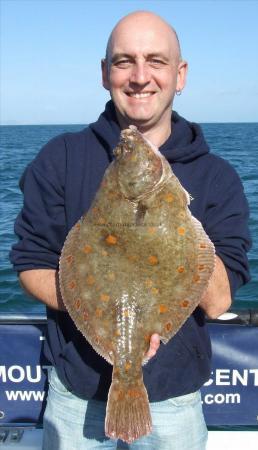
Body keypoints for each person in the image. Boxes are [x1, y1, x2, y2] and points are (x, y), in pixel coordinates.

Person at [10, 10, 251, 450]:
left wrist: (177, 222)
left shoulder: (219, 178)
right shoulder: (58, 158)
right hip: (74, 396)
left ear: (180, 76)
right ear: (105, 74)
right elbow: (29, 264)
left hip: (175, 402)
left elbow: (218, 303)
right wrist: (103, 317)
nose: (140, 77)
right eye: (124, 62)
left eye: (156, 61)